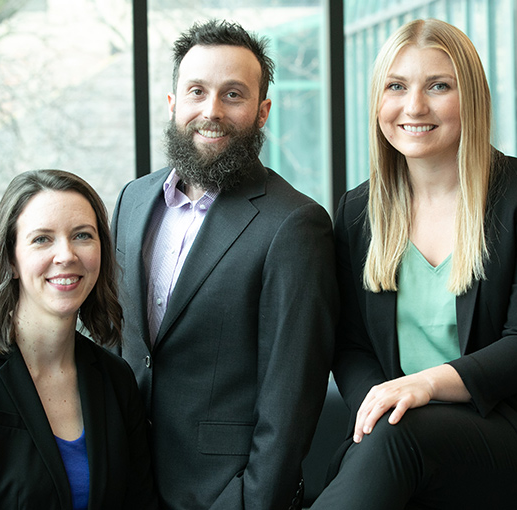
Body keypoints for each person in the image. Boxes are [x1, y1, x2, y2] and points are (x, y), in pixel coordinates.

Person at [311, 19, 517, 510]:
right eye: (396, 86)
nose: (414, 106)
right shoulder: (357, 212)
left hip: (516, 427)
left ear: (469, 97)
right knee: (395, 438)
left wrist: (423, 387)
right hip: (405, 431)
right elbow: (350, 346)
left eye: (438, 86)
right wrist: (381, 405)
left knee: (398, 440)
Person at [110, 19, 338, 510]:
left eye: (233, 95)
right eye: (197, 91)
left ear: (262, 112)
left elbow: (291, 398)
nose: (211, 111)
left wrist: (252, 501)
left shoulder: (295, 224)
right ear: (173, 103)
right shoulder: (133, 199)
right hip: (125, 479)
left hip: (223, 494)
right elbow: (115, 338)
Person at [0, 170, 156, 509]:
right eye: (42, 239)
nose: (66, 255)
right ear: (11, 259)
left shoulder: (117, 380)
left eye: (83, 235)